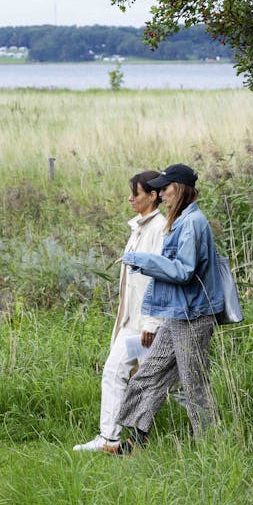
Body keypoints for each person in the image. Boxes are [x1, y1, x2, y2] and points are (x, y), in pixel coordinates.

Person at [104, 163, 224, 455]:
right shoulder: (182, 220)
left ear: (180, 188)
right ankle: (136, 442)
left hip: (193, 316)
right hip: (176, 315)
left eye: (165, 188)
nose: (161, 194)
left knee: (194, 385)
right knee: (149, 375)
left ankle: (211, 448)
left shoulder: (193, 224)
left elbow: (183, 271)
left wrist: (142, 260)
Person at [73, 170, 171, 452]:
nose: (130, 199)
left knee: (150, 379)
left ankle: (118, 439)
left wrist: (151, 323)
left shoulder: (158, 230)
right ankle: (110, 438)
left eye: (136, 194)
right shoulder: (140, 227)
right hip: (131, 318)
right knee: (119, 372)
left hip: (145, 320)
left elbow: (158, 278)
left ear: (152, 196)